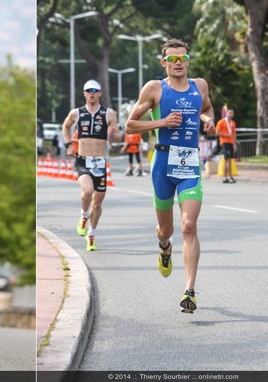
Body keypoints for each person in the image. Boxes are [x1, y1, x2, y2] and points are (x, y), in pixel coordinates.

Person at [125, 38, 216, 313]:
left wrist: (208, 120)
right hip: (163, 161)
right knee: (167, 229)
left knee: (189, 226)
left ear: (188, 60)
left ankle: (189, 290)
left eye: (183, 59)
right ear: (163, 62)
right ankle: (165, 247)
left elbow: (208, 108)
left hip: (189, 162)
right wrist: (161, 122)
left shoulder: (200, 86)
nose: (178, 64)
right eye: (172, 59)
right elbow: (130, 125)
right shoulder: (155, 88)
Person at [62, 79, 121, 251]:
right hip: (83, 160)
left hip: (100, 162)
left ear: (100, 93)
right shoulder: (77, 113)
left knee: (97, 203)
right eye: (89, 91)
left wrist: (113, 133)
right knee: (87, 191)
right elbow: (65, 127)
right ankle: (84, 215)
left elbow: (118, 137)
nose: (92, 93)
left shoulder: (109, 113)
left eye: (95, 90)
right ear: (84, 94)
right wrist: (68, 145)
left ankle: (91, 234)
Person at [216, 107, 237, 183]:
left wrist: (234, 144)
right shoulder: (221, 122)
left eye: (232, 113)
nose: (231, 114)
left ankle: (230, 176)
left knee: (230, 160)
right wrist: (226, 135)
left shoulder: (233, 123)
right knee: (227, 159)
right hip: (224, 142)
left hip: (231, 142)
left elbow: (234, 134)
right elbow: (217, 132)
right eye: (229, 113)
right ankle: (226, 177)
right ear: (226, 113)